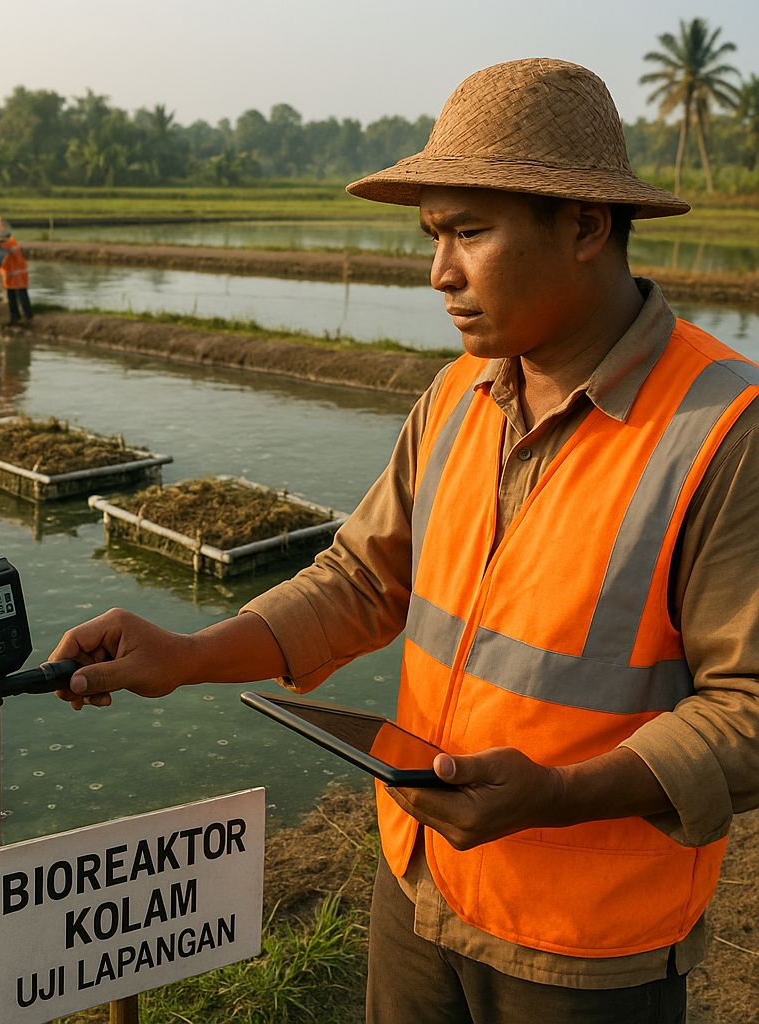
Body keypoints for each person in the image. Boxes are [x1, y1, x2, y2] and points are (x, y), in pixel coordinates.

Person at [49, 58, 759, 1023]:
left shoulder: (723, 430)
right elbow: (359, 582)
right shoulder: (458, 398)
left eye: (470, 232)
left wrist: (557, 796)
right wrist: (187, 655)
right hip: (418, 886)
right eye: (434, 235)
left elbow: (748, 711)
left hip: (585, 948)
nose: (439, 273)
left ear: (588, 226)